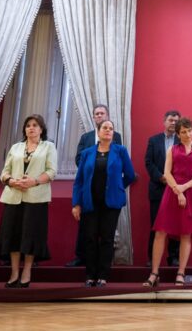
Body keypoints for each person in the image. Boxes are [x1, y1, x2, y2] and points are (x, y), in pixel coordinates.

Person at [0, 114, 57, 287]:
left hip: (36, 199)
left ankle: (27, 271)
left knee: (31, 236)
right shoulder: (16, 147)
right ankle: (14, 272)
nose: (31, 128)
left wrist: (33, 181)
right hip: (13, 196)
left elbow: (51, 172)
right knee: (13, 236)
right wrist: (11, 181)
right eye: (28, 125)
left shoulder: (48, 147)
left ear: (41, 129)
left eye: (35, 125)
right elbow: (4, 172)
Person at [72, 119, 137, 287]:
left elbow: (130, 175)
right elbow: (79, 181)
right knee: (90, 239)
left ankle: (102, 276)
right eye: (105, 128)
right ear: (98, 132)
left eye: (111, 128)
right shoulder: (87, 153)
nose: (108, 130)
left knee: (107, 239)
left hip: (111, 203)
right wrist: (76, 204)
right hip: (89, 203)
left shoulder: (120, 151)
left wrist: (118, 187)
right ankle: (90, 276)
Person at [144, 117, 192, 287]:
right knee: (160, 232)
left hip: (190, 193)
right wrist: (177, 190)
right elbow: (167, 172)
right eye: (183, 132)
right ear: (178, 134)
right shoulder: (172, 149)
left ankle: (181, 273)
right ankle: (154, 273)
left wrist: (183, 188)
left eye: (189, 130)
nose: (187, 134)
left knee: (186, 234)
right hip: (171, 192)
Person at [67, 104, 124, 267]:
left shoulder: (117, 136)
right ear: (93, 117)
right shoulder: (86, 137)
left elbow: (121, 162)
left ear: (107, 115)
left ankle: (104, 262)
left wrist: (116, 185)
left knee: (106, 230)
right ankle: (81, 257)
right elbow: (79, 158)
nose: (99, 116)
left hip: (109, 189)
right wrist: (89, 171)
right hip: (88, 187)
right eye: (96, 114)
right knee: (86, 228)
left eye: (102, 113)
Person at [144, 109, 181, 266]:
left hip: (176, 189)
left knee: (175, 225)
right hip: (158, 188)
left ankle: (173, 257)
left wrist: (173, 181)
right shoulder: (154, 140)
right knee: (156, 224)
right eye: (170, 120)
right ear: (164, 122)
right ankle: (152, 258)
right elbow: (148, 162)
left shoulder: (183, 141)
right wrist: (161, 177)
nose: (173, 123)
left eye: (176, 121)